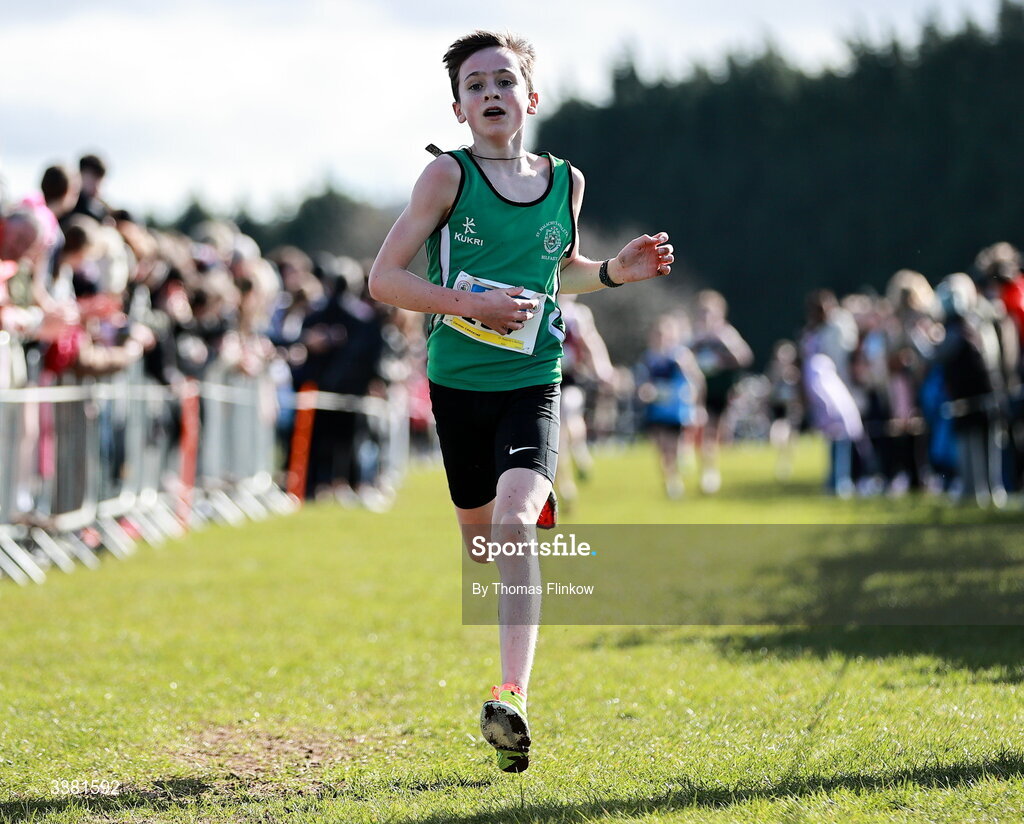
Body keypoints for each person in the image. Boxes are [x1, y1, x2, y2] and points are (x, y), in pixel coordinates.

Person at [368, 30, 673, 773]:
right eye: (476, 85)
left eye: (504, 80)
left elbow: (558, 269)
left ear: (530, 98)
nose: (491, 93)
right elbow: (383, 278)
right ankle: (515, 527)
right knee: (483, 544)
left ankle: (513, 697)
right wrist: (464, 308)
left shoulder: (566, 181)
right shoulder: (446, 180)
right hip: (457, 383)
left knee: (512, 526)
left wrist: (612, 274)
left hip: (533, 379)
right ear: (460, 108)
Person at [635, 313, 704, 498]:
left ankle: (678, 471)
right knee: (661, 448)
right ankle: (670, 481)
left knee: (673, 446)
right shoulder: (648, 358)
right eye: (657, 334)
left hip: (676, 410)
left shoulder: (680, 356)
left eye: (665, 334)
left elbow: (696, 380)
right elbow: (642, 384)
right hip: (656, 409)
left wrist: (696, 403)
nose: (661, 338)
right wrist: (645, 392)